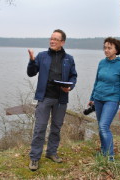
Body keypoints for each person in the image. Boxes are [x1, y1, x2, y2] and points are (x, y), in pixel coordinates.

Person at [27, 29, 77, 171]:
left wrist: (70, 86)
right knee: (40, 128)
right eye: (51, 38)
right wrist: (31, 61)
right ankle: (35, 158)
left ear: (62, 42)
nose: (52, 41)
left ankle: (51, 152)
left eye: (55, 39)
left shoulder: (69, 59)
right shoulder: (42, 56)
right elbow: (31, 73)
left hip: (61, 99)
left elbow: (73, 76)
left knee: (56, 128)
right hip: (44, 98)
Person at [88, 37, 120, 161]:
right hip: (99, 98)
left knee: (104, 126)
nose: (106, 50)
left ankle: (110, 156)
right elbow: (97, 81)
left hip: (112, 100)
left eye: (109, 48)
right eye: (105, 47)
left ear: (116, 50)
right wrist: (92, 97)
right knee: (101, 127)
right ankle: (103, 151)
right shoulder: (102, 63)